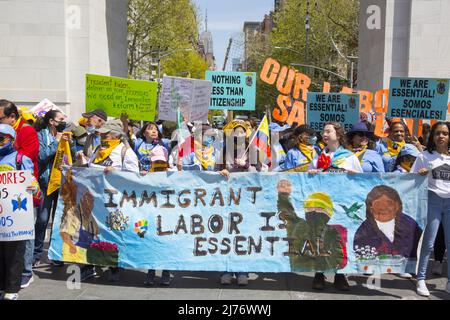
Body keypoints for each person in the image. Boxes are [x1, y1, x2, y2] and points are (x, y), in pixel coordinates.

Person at [308, 122, 363, 290]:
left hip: (341, 203)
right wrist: (312, 173)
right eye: (323, 131)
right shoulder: (318, 158)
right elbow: (307, 181)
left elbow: (362, 182)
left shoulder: (349, 157)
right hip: (321, 204)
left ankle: (340, 275)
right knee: (319, 237)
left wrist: (355, 175)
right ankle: (319, 273)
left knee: (340, 238)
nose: (324, 134)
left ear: (338, 135)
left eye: (328, 131)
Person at [85, 119, 139, 282]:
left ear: (115, 135)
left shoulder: (125, 151)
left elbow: (135, 175)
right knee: (94, 232)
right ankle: (91, 264)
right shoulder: (97, 150)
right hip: (96, 199)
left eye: (106, 134)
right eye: (102, 133)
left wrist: (116, 172)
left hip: (115, 201)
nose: (102, 136)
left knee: (114, 232)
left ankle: (115, 266)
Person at [277, 180, 348, 290]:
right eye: (310, 209)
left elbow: (338, 255)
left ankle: (340, 276)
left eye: (319, 209)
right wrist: (283, 195)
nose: (314, 212)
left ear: (327, 213)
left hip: (329, 260)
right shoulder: (300, 226)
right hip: (305, 262)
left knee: (333, 253)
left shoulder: (332, 232)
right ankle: (319, 275)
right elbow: (287, 213)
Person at [0, 100, 40, 289]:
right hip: (4, 197)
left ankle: (25, 271)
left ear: (12, 117)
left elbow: (28, 156)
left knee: (24, 233)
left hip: (21, 194)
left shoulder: (27, 131)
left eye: (0, 119)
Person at [412, 121, 450, 297]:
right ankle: (421, 279)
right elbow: (411, 178)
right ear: (432, 136)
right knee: (428, 243)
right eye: (437, 133)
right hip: (432, 201)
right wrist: (419, 175)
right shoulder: (424, 156)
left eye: (445, 133)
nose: (441, 136)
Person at [34, 110, 75, 265]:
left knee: (59, 220)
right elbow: (42, 155)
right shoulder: (41, 136)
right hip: (46, 183)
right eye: (60, 119)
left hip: (62, 183)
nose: (63, 122)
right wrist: (57, 143)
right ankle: (36, 254)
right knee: (42, 220)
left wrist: (69, 145)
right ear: (51, 121)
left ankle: (55, 253)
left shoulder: (66, 135)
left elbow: (71, 157)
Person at [353, 185, 422, 260]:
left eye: (389, 203)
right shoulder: (364, 230)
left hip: (406, 269)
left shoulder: (410, 224)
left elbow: (420, 246)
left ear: (397, 206)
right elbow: (360, 256)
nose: (383, 207)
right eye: (378, 203)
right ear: (370, 209)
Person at [143, 145, 173, 286]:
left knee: (166, 245)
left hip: (168, 216)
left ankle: (166, 272)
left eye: (162, 162)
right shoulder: (145, 174)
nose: (159, 165)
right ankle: (151, 271)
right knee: (151, 244)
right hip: (151, 215)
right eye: (156, 162)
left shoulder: (173, 174)